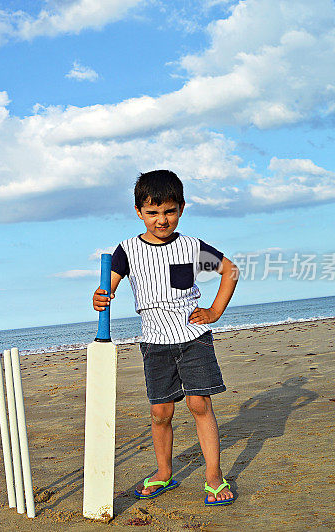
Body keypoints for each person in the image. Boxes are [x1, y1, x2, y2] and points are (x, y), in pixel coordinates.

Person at [92, 169, 239, 506]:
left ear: (181, 208)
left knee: (198, 403)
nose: (162, 219)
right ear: (139, 212)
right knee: (161, 412)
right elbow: (106, 290)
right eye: (153, 212)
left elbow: (230, 271)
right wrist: (100, 297)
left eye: (169, 211)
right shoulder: (126, 250)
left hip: (193, 337)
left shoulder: (191, 246)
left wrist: (214, 312)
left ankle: (214, 477)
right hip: (154, 342)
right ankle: (163, 472)